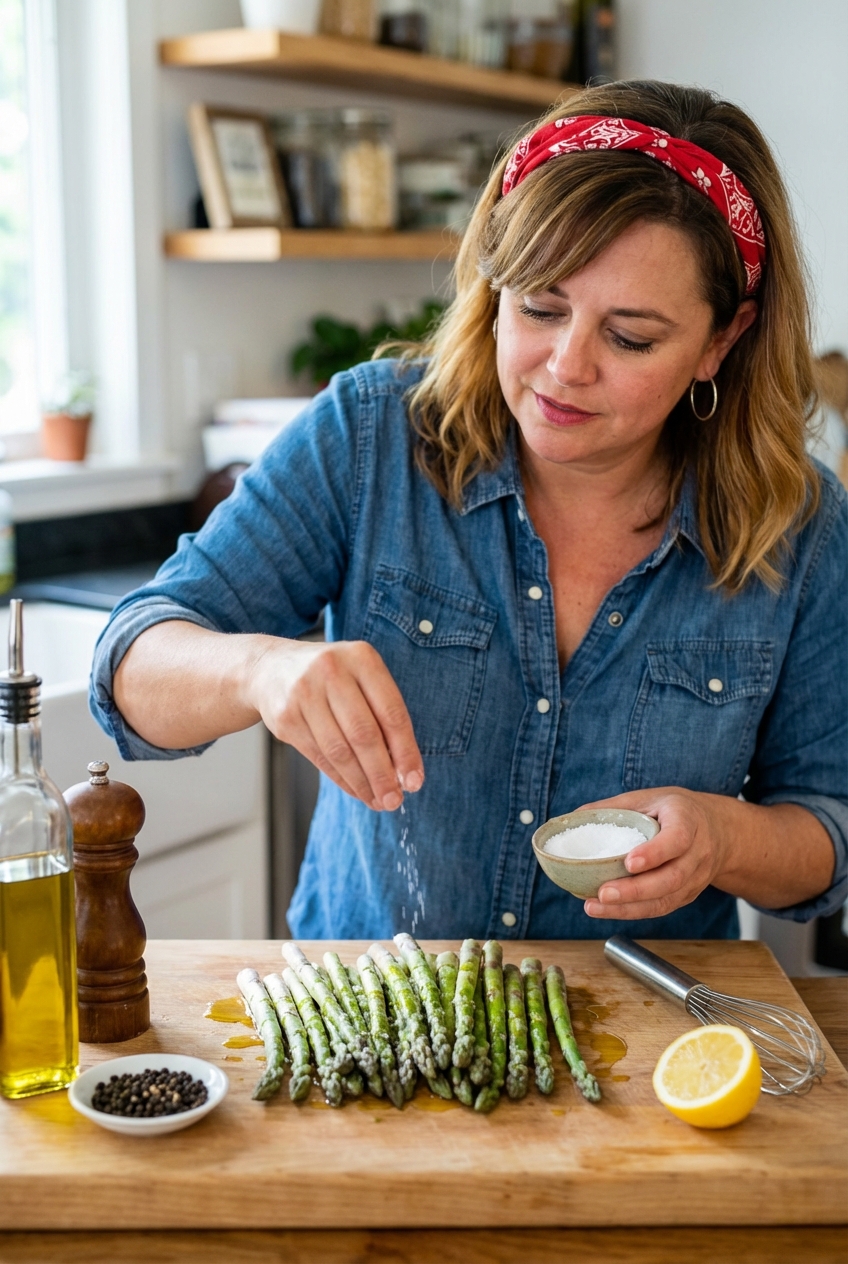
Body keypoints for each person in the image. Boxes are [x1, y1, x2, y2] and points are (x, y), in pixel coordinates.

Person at [91, 80, 847, 943]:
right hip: (374, 1026)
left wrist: (724, 840)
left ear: (723, 338)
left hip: (646, 1049)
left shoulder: (803, 528)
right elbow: (129, 672)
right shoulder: (372, 437)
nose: (565, 367)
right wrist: (258, 670)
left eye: (630, 337)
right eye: (539, 308)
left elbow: (830, 835)